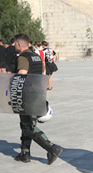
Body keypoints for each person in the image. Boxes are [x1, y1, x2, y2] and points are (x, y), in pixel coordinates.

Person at [13, 34, 63, 164]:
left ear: (19, 44)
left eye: (15, 43)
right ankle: (25, 153)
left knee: (29, 126)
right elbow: (43, 73)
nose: (13, 45)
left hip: (27, 95)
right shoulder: (36, 56)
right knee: (26, 124)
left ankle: (52, 148)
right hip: (37, 93)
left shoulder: (23, 57)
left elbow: (21, 76)